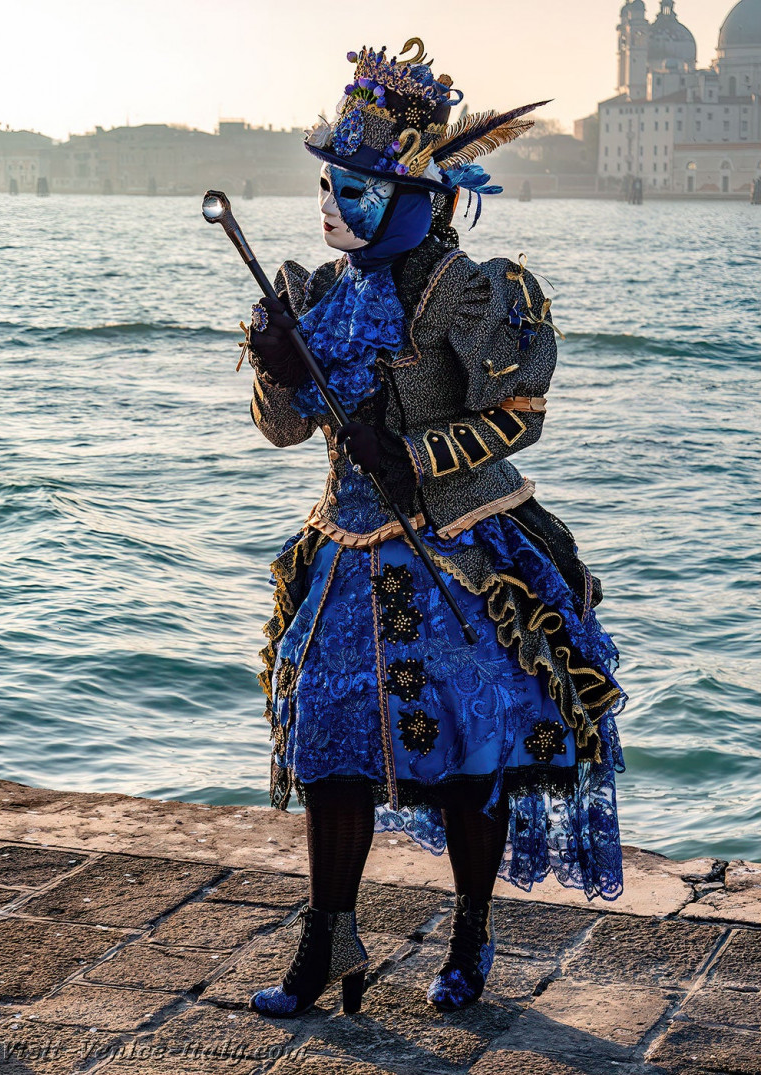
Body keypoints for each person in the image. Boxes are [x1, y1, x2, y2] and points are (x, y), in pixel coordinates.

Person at [241, 39, 627, 1018]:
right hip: (344, 554)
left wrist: (412, 453)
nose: (330, 206)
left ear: (415, 198)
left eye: (354, 191)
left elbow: (518, 417)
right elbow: (286, 431)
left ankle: (469, 937)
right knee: (327, 737)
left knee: (465, 752)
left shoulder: (473, 292)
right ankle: (328, 940)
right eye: (327, 186)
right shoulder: (319, 294)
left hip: (456, 552)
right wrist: (277, 366)